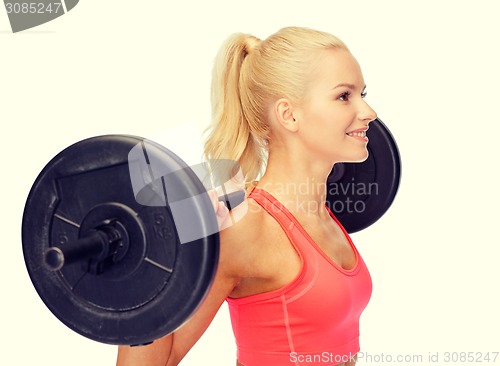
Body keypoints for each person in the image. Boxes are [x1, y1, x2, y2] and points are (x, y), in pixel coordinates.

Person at [116, 26, 377, 366]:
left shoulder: (325, 217)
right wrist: (153, 259)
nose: (368, 112)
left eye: (363, 94)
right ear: (289, 115)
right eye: (345, 96)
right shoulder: (243, 225)